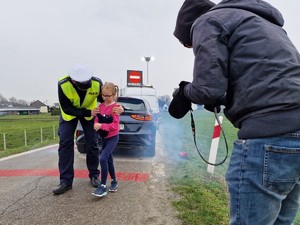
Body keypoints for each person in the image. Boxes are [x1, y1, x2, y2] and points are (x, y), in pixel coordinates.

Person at [170, 0, 300, 224]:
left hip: (268, 138)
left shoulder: (207, 21)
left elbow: (206, 89)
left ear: (189, 27)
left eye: (190, 44)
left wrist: (184, 92)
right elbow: (265, 79)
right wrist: (225, 97)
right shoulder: (267, 25)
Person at [53, 63, 123, 195]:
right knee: (65, 144)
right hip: (70, 115)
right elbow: (67, 108)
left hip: (90, 114)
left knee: (92, 143)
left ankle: (94, 175)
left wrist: (120, 108)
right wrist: (88, 113)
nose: (86, 86)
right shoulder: (63, 84)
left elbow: (107, 101)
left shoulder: (96, 83)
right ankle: (66, 181)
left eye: (87, 83)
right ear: (73, 81)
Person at [92, 82, 120, 197]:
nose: (105, 98)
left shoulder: (116, 108)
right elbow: (96, 120)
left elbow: (115, 126)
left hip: (113, 137)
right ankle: (114, 181)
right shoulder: (100, 107)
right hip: (104, 137)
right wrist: (96, 124)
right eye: (103, 95)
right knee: (109, 160)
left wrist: (101, 126)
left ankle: (103, 186)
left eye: (108, 96)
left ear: (114, 95)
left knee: (103, 158)